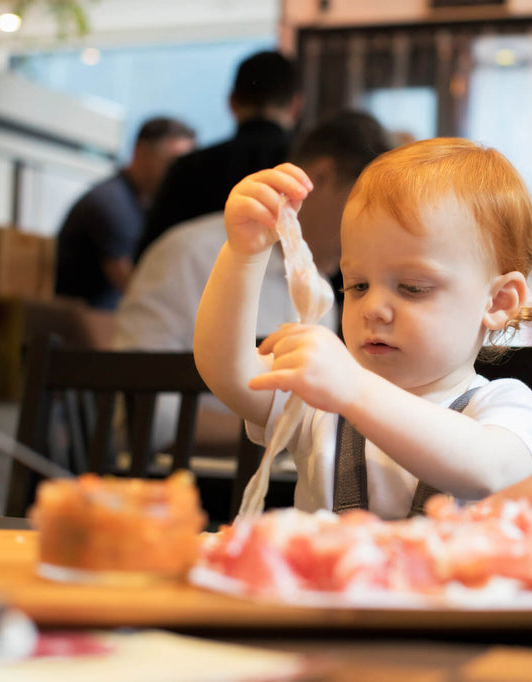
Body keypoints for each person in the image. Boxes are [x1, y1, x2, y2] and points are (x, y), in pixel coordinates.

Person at [193, 138, 532, 520]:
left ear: (497, 302)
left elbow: (487, 471)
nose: (374, 309)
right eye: (358, 286)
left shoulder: (506, 408)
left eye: (413, 288)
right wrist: (243, 254)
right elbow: (229, 372)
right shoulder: (323, 403)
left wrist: (354, 389)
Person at [115, 111, 392, 451]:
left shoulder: (320, 288)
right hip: (179, 477)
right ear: (320, 176)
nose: (363, 233)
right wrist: (294, 434)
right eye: (359, 208)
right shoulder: (192, 254)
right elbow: (146, 414)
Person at [135, 50, 301, 260]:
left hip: (197, 290)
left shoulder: (188, 168)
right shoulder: (308, 171)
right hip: (292, 291)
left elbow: (150, 254)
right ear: (296, 105)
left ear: (231, 102)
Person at [54, 116, 196, 310]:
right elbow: (135, 289)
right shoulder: (111, 202)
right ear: (141, 151)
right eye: (172, 162)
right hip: (79, 329)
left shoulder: (140, 203)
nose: (178, 174)